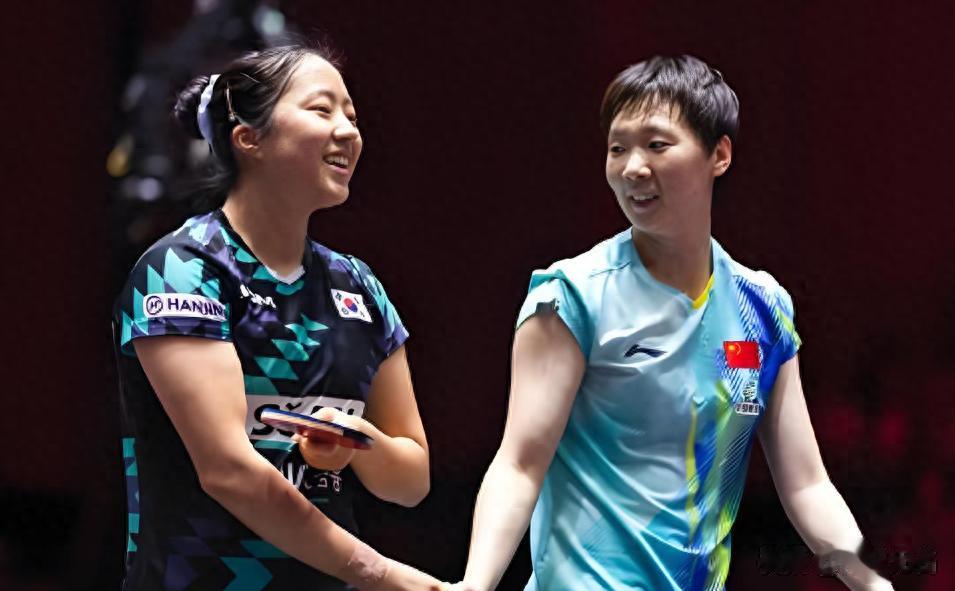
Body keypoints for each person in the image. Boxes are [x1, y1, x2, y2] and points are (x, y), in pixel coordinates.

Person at [451, 56, 892, 590]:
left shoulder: (762, 308)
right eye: (618, 148)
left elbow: (807, 486)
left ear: (719, 155)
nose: (632, 167)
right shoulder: (571, 298)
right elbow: (520, 464)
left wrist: (873, 584)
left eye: (657, 145)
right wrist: (474, 585)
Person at [113, 44, 446, 590]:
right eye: (321, 110)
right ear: (250, 139)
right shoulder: (181, 271)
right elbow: (229, 472)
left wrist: (356, 439)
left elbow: (411, 481)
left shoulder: (358, 286)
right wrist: (384, 576)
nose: (348, 131)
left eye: (352, 116)